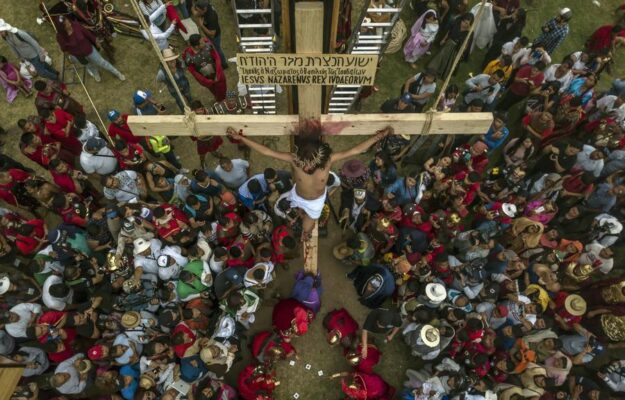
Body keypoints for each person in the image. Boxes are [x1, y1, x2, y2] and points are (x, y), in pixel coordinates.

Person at [227, 123, 393, 240]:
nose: (306, 167)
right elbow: (267, 152)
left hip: (316, 203)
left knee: (308, 228)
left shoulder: (329, 160)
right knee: (286, 209)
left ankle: (305, 233)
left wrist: (379, 136)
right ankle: (299, 214)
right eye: (304, 163)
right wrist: (241, 138)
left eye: (310, 164)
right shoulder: (294, 159)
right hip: (296, 195)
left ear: (319, 158)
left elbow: (356, 149)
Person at [54, 15, 125, 82]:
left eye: (68, 21)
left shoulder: (76, 25)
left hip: (89, 50)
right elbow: (64, 49)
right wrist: (69, 56)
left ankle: (117, 73)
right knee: (89, 66)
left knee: (102, 62)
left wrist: (95, 41)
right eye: (66, 24)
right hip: (79, 56)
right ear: (62, 28)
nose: (69, 23)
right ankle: (96, 73)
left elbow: (87, 34)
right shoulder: (60, 37)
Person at [182, 33, 226, 102]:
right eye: (202, 43)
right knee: (215, 91)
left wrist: (218, 75)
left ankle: (223, 98)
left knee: (223, 88)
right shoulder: (188, 58)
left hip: (218, 74)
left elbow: (216, 58)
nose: (204, 43)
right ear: (196, 46)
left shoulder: (208, 45)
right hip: (207, 80)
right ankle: (220, 100)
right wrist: (208, 81)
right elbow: (195, 73)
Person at [191, 0, 227, 68]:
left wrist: (201, 26)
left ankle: (224, 64)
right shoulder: (202, 5)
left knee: (217, 49)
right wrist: (196, 12)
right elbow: (194, 11)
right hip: (208, 34)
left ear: (204, 9)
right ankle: (215, 58)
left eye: (199, 11)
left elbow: (212, 34)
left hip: (215, 37)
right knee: (212, 48)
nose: (197, 12)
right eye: (197, 10)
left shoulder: (211, 17)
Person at [156, 48, 192, 113]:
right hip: (174, 91)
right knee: (181, 102)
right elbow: (159, 80)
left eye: (173, 59)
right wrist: (167, 81)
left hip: (185, 85)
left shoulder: (180, 64)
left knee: (189, 97)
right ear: (165, 62)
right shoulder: (161, 73)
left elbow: (185, 69)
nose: (172, 62)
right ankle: (184, 112)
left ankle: (192, 107)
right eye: (169, 61)